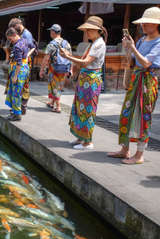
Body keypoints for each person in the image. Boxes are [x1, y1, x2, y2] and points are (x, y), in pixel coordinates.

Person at [108, 7, 160, 164]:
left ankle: (139, 155)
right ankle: (124, 149)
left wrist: (133, 47)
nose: (144, 25)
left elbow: (147, 63)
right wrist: (128, 48)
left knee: (143, 116)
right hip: (136, 79)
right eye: (143, 23)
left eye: (147, 23)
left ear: (156, 24)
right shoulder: (141, 40)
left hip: (147, 81)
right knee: (126, 113)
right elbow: (133, 61)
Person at [60, 16, 107, 150]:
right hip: (86, 78)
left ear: (97, 30)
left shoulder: (99, 44)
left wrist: (68, 57)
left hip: (91, 79)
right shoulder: (94, 43)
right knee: (80, 108)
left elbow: (86, 62)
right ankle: (81, 138)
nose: (87, 32)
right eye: (87, 30)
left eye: (90, 30)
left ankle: (87, 142)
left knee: (87, 110)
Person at [40, 24, 72, 113]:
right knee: (57, 86)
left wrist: (41, 70)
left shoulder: (51, 44)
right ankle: (51, 102)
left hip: (54, 69)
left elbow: (46, 58)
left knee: (55, 87)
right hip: (64, 68)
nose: (50, 33)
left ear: (53, 32)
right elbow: (70, 57)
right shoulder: (66, 43)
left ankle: (58, 107)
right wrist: (71, 69)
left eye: (51, 31)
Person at [8, 18, 36, 114]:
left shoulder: (26, 35)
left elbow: (32, 47)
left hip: (22, 65)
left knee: (22, 87)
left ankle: (22, 107)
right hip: (20, 64)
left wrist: (27, 55)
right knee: (19, 87)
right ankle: (18, 107)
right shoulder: (21, 36)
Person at [5, 27, 30, 122]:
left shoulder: (17, 46)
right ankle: (15, 112)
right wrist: (26, 58)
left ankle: (17, 115)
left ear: (14, 35)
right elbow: (33, 46)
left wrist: (15, 76)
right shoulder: (24, 41)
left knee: (16, 92)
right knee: (18, 91)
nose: (10, 41)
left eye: (10, 39)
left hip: (19, 70)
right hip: (25, 68)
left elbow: (19, 63)